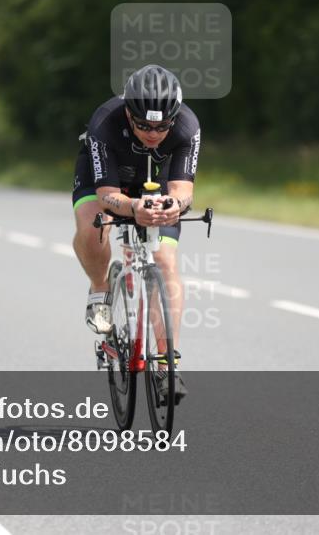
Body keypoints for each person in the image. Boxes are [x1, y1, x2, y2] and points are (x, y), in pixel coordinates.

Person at [71, 64, 201, 405]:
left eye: (161, 126)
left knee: (164, 261)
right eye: (143, 125)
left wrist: (175, 205)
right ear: (128, 114)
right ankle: (100, 290)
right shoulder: (104, 122)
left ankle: (165, 361)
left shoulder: (187, 125)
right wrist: (131, 209)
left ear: (174, 117)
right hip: (107, 177)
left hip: (155, 181)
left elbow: (184, 189)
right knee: (92, 224)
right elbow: (106, 196)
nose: (153, 132)